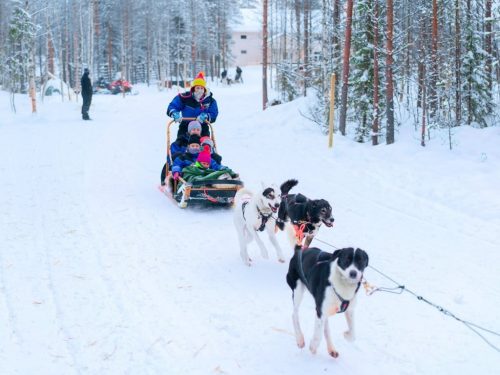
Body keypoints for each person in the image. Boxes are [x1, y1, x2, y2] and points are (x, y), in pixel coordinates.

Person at [167, 71, 218, 138]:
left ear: (205, 90)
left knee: (205, 143)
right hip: (185, 125)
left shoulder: (210, 101)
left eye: (202, 88)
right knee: (180, 143)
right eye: (197, 88)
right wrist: (174, 113)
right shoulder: (184, 97)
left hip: (202, 126)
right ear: (193, 89)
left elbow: (213, 113)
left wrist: (206, 116)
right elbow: (173, 106)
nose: (199, 90)